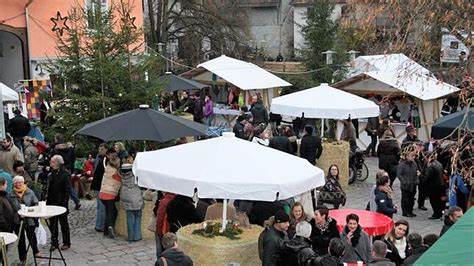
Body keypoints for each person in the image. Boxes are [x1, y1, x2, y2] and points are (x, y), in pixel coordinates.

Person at [11, 175, 40, 261]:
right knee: (20, 239)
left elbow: (36, 203)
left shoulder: (29, 192)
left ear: (23, 183)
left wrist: (30, 210)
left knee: (31, 235)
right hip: (17, 219)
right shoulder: (11, 194)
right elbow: (10, 208)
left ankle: (36, 250)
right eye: (17, 182)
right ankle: (22, 257)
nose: (19, 184)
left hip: (29, 218)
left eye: (20, 182)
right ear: (14, 184)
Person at [46, 155, 71, 251]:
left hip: (61, 203)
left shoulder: (65, 174)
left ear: (57, 163)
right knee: (53, 224)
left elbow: (67, 190)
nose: (50, 163)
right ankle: (54, 242)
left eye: (52, 162)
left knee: (63, 224)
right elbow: (50, 188)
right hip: (52, 202)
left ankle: (66, 242)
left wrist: (64, 203)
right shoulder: (52, 173)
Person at [51, 133, 80, 210]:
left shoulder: (56, 149)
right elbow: (73, 158)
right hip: (69, 168)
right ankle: (76, 200)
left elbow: (54, 159)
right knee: (68, 185)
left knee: (61, 186)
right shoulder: (70, 148)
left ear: (56, 139)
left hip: (60, 168)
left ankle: (61, 203)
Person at [119, 156, 143, 242]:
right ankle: (137, 236)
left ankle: (130, 237)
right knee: (138, 217)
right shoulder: (135, 174)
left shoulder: (121, 174)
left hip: (125, 196)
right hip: (135, 197)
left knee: (129, 218)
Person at [99, 151, 121, 238]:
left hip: (102, 194)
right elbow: (121, 180)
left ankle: (105, 230)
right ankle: (110, 227)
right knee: (112, 212)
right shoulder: (115, 172)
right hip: (109, 195)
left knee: (109, 211)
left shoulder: (107, 168)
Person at [91, 143, 108, 232]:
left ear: (106, 149)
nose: (100, 151)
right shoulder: (100, 158)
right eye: (99, 149)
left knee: (100, 206)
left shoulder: (104, 158)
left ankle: (99, 225)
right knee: (101, 206)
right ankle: (100, 225)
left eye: (101, 149)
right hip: (100, 185)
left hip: (100, 184)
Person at [397, 148, 419, 217]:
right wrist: (404, 182)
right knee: (405, 200)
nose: (413, 157)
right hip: (405, 186)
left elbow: (417, 172)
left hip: (413, 185)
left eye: (413, 156)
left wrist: (417, 180)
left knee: (411, 199)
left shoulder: (414, 163)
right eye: (411, 156)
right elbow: (399, 174)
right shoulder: (402, 164)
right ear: (406, 156)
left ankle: (410, 211)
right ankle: (405, 212)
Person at [424, 152, 445, 219]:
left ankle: (436, 214)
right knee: (439, 200)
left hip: (433, 186)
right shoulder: (439, 163)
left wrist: (420, 176)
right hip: (441, 185)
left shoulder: (431, 166)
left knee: (434, 201)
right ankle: (440, 212)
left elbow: (427, 177)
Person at [155, 192, 176, 257]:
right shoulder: (178, 200)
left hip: (164, 230)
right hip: (174, 230)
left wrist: (158, 231)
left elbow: (160, 218)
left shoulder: (164, 201)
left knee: (160, 249)